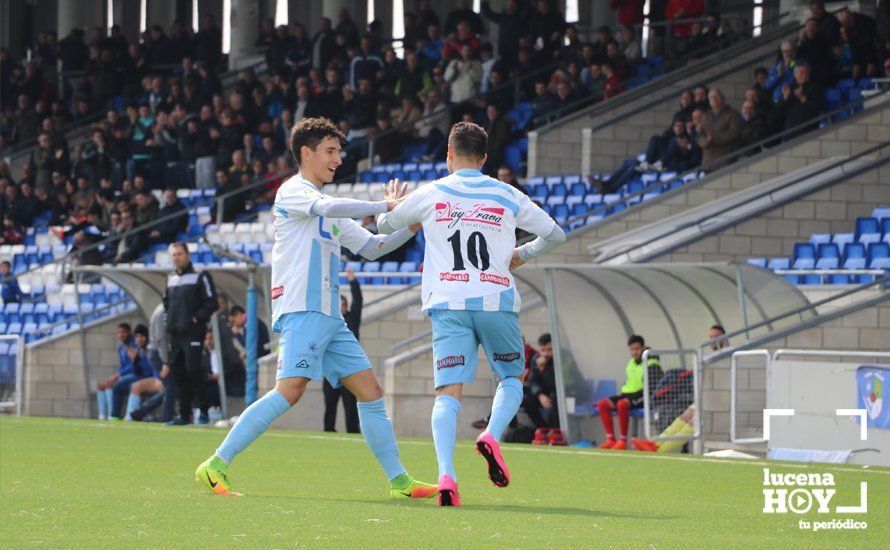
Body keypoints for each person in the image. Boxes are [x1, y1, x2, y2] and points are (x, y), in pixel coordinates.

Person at [195, 117, 435, 500]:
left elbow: (374, 247)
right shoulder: (294, 192)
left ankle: (400, 482)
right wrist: (383, 204)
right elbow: (331, 207)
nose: (338, 159)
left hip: (329, 316)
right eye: (330, 151)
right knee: (289, 392)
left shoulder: (328, 211)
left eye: (339, 151)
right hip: (303, 308)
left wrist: (412, 224)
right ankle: (216, 464)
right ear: (306, 153)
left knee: (371, 393)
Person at [377, 122, 566, 506]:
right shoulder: (506, 194)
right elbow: (556, 234)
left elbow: (384, 226)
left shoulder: (431, 193)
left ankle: (446, 476)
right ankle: (492, 436)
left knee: (448, 393)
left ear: (448, 153)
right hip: (495, 300)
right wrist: (521, 254)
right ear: (483, 159)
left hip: (447, 302)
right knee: (512, 376)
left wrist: (396, 206)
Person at [163, 241, 220, 425]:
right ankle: (184, 414)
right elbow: (166, 303)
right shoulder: (170, 277)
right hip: (175, 334)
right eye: (174, 255)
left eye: (179, 254)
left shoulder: (200, 275)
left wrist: (197, 318)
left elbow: (212, 302)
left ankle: (203, 411)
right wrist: (169, 320)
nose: (176, 258)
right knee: (178, 373)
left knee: (194, 369)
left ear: (187, 255)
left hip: (193, 333)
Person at [596, 335, 662, 450]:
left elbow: (652, 388)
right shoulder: (631, 363)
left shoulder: (652, 364)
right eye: (632, 349)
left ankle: (622, 441)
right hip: (627, 395)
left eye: (637, 349)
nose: (634, 352)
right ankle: (610, 439)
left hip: (643, 396)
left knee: (622, 404)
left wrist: (629, 398)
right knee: (602, 404)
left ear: (643, 348)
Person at [323, 268, 362, 433]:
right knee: (330, 404)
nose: (342, 307)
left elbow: (358, 301)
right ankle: (328, 430)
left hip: (349, 368)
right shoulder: (328, 320)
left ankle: (353, 431)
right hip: (332, 367)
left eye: (344, 305)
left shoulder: (352, 318)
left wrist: (352, 281)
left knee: (350, 405)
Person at [96, 323, 154, 420]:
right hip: (135, 375)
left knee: (119, 385)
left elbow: (146, 369)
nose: (121, 335)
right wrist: (134, 361)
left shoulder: (143, 348)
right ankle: (105, 416)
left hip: (144, 376)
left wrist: (119, 375)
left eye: (123, 332)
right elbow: (132, 367)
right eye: (119, 332)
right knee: (106, 385)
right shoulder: (123, 348)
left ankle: (118, 416)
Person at [130, 304, 176, 422]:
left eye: (142, 336)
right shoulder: (163, 311)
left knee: (170, 387)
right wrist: (165, 363)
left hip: (156, 371)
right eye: (137, 337)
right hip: (159, 365)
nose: (139, 339)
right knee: (170, 387)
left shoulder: (146, 350)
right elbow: (161, 338)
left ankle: (140, 412)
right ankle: (166, 417)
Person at [523, 334, 559, 428]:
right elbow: (533, 381)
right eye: (543, 350)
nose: (546, 354)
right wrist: (540, 395)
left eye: (549, 350)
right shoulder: (536, 359)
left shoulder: (562, 357)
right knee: (527, 400)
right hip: (545, 393)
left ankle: (556, 430)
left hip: (560, 393)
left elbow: (556, 383)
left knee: (554, 397)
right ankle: (543, 428)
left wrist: (545, 369)